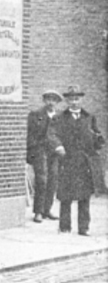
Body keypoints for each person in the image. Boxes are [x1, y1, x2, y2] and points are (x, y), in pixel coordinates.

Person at [50, 87, 105, 235]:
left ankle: (83, 228)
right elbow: (52, 135)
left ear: (81, 99)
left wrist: (98, 140)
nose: (74, 102)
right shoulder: (59, 117)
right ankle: (65, 227)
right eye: (71, 99)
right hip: (67, 160)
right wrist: (58, 146)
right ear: (67, 101)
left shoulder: (89, 117)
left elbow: (96, 134)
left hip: (84, 162)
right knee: (65, 196)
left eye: (77, 99)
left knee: (84, 196)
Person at [26, 89, 63, 222]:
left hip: (54, 153)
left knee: (53, 180)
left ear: (57, 102)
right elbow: (31, 134)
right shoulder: (35, 115)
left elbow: (62, 134)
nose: (51, 102)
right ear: (44, 100)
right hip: (40, 151)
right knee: (42, 180)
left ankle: (47, 210)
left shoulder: (60, 117)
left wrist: (60, 147)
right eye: (48, 99)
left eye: (54, 100)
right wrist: (31, 151)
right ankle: (38, 212)